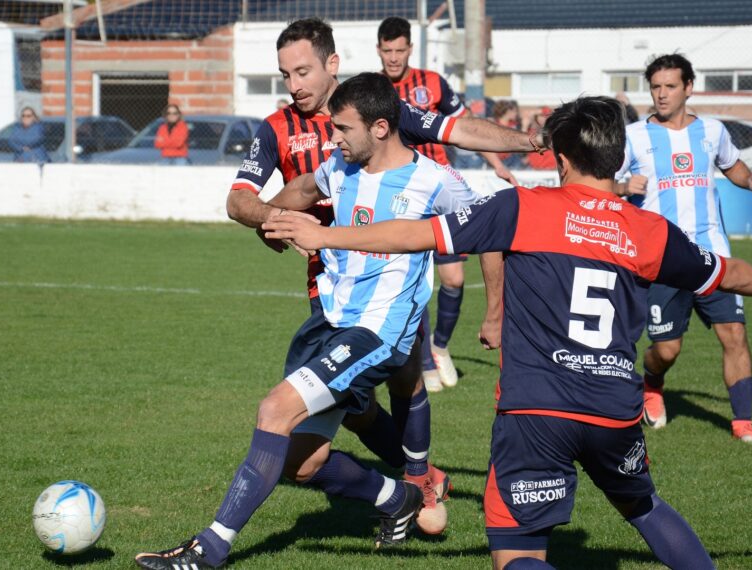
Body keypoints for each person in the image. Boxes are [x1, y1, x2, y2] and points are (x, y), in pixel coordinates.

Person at [264, 95, 752, 570]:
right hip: (615, 411)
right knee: (644, 508)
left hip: (536, 414)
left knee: (515, 552)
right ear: (618, 157)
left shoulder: (522, 209)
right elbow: (723, 272)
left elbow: (414, 234)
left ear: (559, 160)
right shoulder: (649, 230)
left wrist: (326, 236)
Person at [134, 72, 486, 569]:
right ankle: (398, 498)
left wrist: (496, 311)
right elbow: (302, 186)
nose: (332, 137)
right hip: (332, 322)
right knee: (301, 463)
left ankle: (207, 550)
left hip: (377, 334)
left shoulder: (436, 180)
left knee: (274, 410)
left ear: (380, 128)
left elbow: (493, 231)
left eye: (342, 128)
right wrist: (272, 219)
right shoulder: (341, 164)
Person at [224, 17, 541, 535]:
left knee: (403, 377)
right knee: (354, 405)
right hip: (328, 284)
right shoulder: (277, 127)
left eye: (302, 71)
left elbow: (457, 130)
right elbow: (240, 200)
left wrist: (530, 140)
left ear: (332, 64)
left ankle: (416, 482)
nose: (294, 84)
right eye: (285, 75)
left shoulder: (377, 110)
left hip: (392, 283)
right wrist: (274, 219)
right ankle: (418, 484)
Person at [615, 53, 752, 443]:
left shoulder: (712, 131)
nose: (662, 94)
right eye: (656, 87)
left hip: (713, 254)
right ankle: (652, 381)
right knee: (667, 350)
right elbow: (603, 183)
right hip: (662, 258)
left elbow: (732, 166)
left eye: (670, 86)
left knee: (734, 333)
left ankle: (742, 422)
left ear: (688, 87)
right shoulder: (634, 136)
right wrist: (622, 187)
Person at [376, 15, 513, 393]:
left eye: (399, 50)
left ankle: (439, 346)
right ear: (379, 51)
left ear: (410, 49)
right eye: (387, 51)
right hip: (401, 195)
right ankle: (421, 360)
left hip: (441, 189)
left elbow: (465, 127)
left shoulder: (432, 83)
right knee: (411, 280)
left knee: (453, 279)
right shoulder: (373, 89)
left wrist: (497, 164)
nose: (393, 57)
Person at [492, 99, 527, 169]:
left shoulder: (515, 125)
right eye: (514, 111)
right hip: (499, 159)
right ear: (508, 111)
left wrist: (524, 127)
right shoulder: (494, 126)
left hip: (513, 158)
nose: (516, 113)